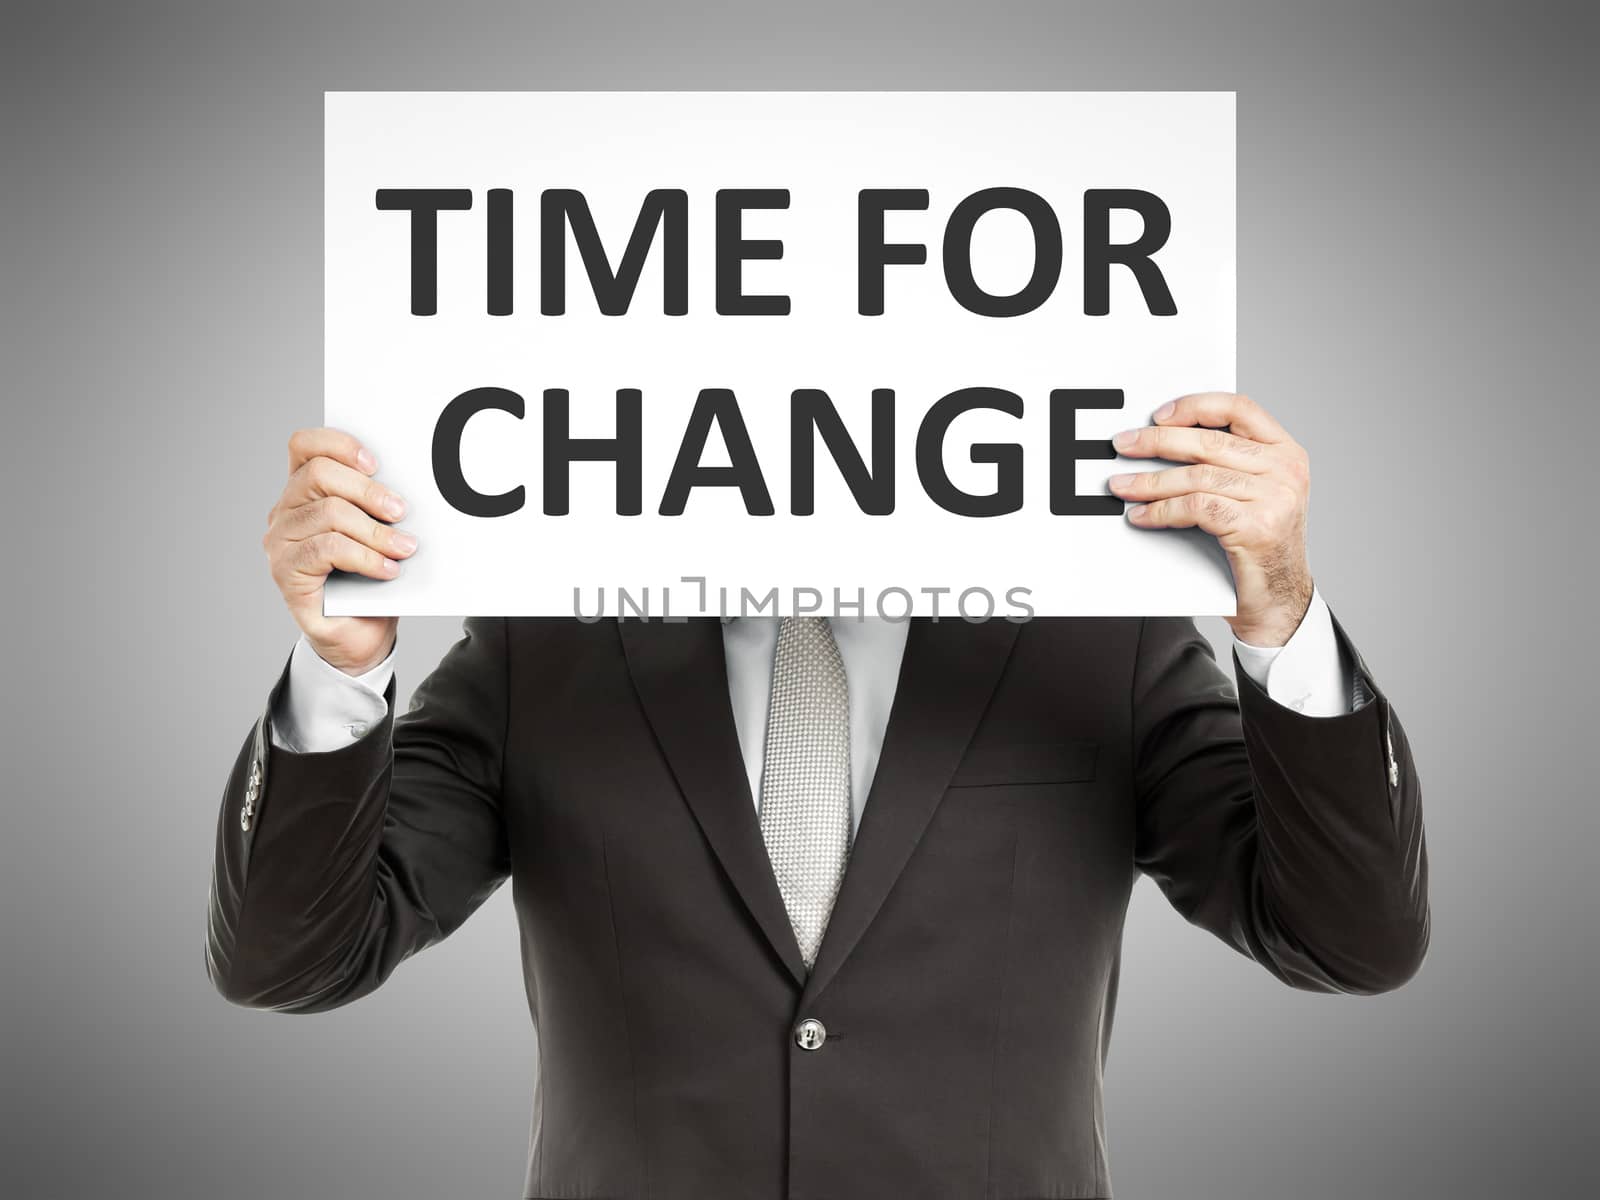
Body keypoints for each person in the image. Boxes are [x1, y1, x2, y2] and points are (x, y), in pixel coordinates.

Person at [207, 391, 1428, 1200]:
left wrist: (1280, 613)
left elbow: (1345, 939)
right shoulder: (551, 646)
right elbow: (294, 960)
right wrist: (340, 662)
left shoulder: (1090, 641)